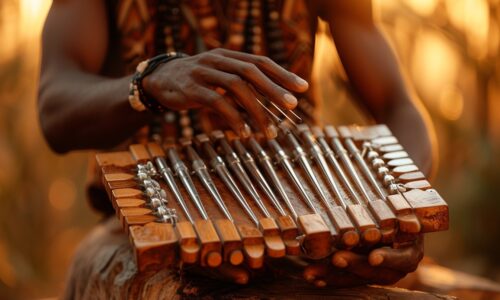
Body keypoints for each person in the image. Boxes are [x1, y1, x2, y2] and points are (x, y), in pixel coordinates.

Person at [38, 0, 434, 294]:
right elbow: (55, 110)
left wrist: (398, 215)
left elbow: (399, 107)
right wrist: (149, 83)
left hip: (307, 222)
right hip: (149, 229)